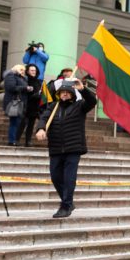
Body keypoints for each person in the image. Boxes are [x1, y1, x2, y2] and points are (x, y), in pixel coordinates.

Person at [34, 78, 96, 218]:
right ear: (58, 94)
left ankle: (66, 205)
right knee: (55, 177)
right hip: (56, 147)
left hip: (73, 147)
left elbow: (92, 102)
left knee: (69, 178)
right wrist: (41, 129)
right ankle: (68, 201)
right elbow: (43, 118)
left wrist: (83, 89)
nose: (64, 94)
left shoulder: (80, 106)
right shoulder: (53, 107)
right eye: (62, 92)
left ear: (72, 94)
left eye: (67, 92)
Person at [3, 63, 30, 146]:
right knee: (14, 122)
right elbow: (11, 87)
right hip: (14, 102)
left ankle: (13, 139)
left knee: (17, 122)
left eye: (24, 70)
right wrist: (25, 88)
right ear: (16, 69)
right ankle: (12, 140)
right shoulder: (11, 76)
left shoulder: (22, 78)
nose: (23, 72)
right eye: (21, 70)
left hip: (21, 102)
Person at [22, 64, 44, 147]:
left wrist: (40, 95)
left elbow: (39, 91)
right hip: (26, 105)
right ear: (27, 71)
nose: (33, 72)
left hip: (35, 107)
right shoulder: (25, 80)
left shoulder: (38, 81)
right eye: (31, 70)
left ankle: (28, 141)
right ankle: (16, 139)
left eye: (34, 70)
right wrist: (33, 95)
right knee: (22, 124)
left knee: (31, 125)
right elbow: (24, 92)